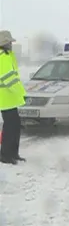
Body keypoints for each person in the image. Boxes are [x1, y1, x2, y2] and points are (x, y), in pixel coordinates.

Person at [0, 30, 27, 165]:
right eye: (9, 42)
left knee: (15, 126)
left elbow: (14, 78)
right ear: (4, 43)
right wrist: (20, 93)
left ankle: (13, 153)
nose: (11, 44)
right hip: (6, 99)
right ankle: (5, 154)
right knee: (10, 127)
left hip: (11, 98)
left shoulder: (8, 55)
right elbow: (8, 79)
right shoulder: (3, 57)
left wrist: (20, 94)